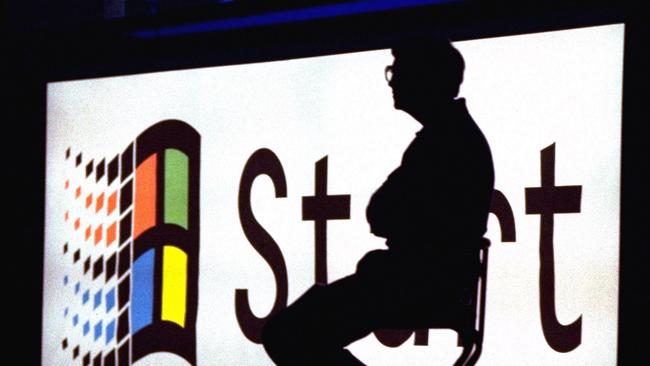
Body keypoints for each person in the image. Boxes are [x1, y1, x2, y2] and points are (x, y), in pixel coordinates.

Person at [261, 36, 494, 366]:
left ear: (423, 77)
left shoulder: (443, 144)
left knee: (287, 332)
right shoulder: (452, 137)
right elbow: (388, 212)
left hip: (411, 286)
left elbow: (381, 212)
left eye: (397, 71)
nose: (392, 81)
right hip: (419, 284)